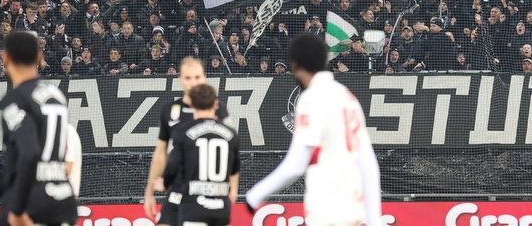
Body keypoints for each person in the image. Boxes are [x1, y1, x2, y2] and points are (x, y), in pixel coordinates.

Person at [245, 33, 382, 226]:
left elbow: (297, 163)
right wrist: (374, 219)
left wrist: (255, 195)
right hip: (353, 211)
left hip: (328, 211)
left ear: (295, 65)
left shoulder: (312, 98)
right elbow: (368, 163)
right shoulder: (347, 97)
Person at [0, 31, 78, 226]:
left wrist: (18, 208)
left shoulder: (16, 99)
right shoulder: (55, 94)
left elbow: (30, 154)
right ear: (39, 58)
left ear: (5, 58)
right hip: (62, 201)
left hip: (32, 201)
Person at [144, 56, 231, 226]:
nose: (193, 83)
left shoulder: (219, 110)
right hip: (178, 191)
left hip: (208, 193)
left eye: (197, 77)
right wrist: (149, 192)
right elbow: (161, 153)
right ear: (180, 79)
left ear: (204, 78)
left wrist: (230, 189)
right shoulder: (169, 110)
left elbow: (230, 153)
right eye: (188, 78)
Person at [162, 84, 240, 226]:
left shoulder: (182, 132)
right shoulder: (231, 134)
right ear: (215, 104)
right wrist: (232, 192)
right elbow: (234, 169)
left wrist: (165, 182)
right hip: (221, 210)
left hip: (194, 207)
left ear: (191, 105)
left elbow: (172, 165)